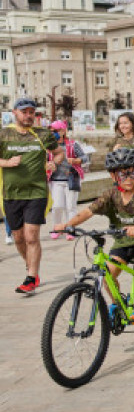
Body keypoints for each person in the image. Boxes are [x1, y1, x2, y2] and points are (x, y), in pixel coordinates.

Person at [54, 148, 134, 323]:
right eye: (123, 174)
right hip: (123, 241)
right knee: (107, 273)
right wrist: (67, 225)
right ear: (113, 176)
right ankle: (116, 305)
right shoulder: (110, 195)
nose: (128, 179)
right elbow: (88, 212)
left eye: (133, 173)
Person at [2, 98, 64, 294]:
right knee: (18, 237)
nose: (28, 115)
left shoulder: (43, 134)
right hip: (11, 193)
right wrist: (6, 163)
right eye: (24, 112)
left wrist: (55, 162)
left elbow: (59, 152)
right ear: (15, 113)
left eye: (32, 112)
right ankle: (30, 268)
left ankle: (31, 277)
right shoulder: (4, 134)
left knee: (31, 237)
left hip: (36, 192)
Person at [46, 120, 88, 240]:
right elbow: (43, 160)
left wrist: (75, 161)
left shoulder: (72, 145)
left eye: (56, 131)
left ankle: (70, 229)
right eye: (51, 131)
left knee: (71, 206)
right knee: (57, 206)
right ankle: (57, 228)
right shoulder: (49, 146)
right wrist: (48, 164)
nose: (53, 133)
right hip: (55, 180)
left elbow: (84, 157)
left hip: (71, 178)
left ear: (63, 131)